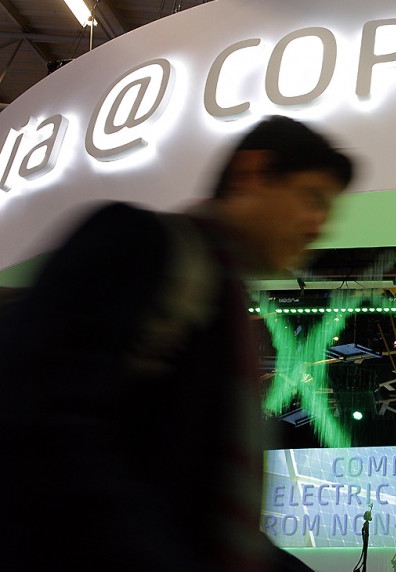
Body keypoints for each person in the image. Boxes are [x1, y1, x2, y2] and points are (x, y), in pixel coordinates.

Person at [0, 115, 354, 571]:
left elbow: (201, 513)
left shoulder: (226, 309)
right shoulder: (140, 243)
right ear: (253, 174)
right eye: (312, 199)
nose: (317, 226)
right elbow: (39, 420)